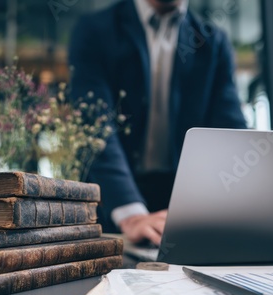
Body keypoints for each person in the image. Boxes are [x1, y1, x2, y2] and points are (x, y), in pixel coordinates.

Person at [68, 0, 248, 245]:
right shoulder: (94, 30)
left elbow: (230, 136)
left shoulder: (214, 42)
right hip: (113, 201)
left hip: (184, 205)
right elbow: (95, 124)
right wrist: (131, 214)